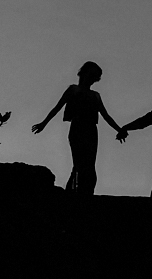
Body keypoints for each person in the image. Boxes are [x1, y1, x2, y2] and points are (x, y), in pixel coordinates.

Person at [32, 61, 124, 195]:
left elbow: (106, 116)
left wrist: (119, 129)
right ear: (84, 73)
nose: (92, 79)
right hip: (78, 128)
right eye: (91, 75)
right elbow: (57, 108)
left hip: (91, 131)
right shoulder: (73, 90)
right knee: (79, 164)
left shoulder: (95, 96)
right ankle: (74, 192)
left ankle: (85, 192)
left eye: (95, 77)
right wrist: (43, 123)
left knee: (90, 166)